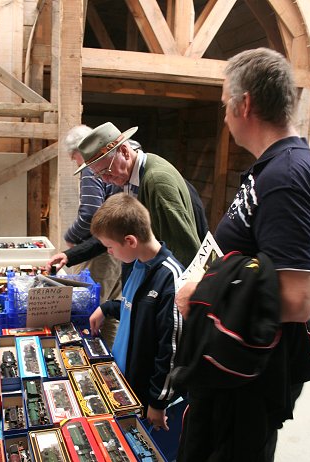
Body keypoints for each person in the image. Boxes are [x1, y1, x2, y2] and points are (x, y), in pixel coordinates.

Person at [175, 47, 310, 461]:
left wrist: (203, 291)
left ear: (244, 104)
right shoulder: (272, 168)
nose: (225, 114)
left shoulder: (287, 176)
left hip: (248, 371)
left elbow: (298, 298)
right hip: (233, 366)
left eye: (226, 103)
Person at [47, 121, 202, 270]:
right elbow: (115, 232)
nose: (106, 179)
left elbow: (184, 250)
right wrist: (71, 255)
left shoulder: (156, 181)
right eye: (99, 175)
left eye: (106, 170)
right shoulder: (129, 179)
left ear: (125, 151)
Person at [89, 193, 184, 430]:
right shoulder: (135, 264)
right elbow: (136, 309)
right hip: (125, 380)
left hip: (146, 392)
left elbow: (171, 348)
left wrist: (158, 402)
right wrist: (107, 308)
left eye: (110, 247)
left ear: (130, 241)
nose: (109, 252)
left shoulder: (170, 279)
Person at [54, 124, 122, 304]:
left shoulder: (89, 167)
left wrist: (72, 238)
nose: (74, 161)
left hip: (99, 255)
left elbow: (91, 213)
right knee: (110, 310)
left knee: (86, 308)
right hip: (115, 249)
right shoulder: (108, 164)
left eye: (73, 156)